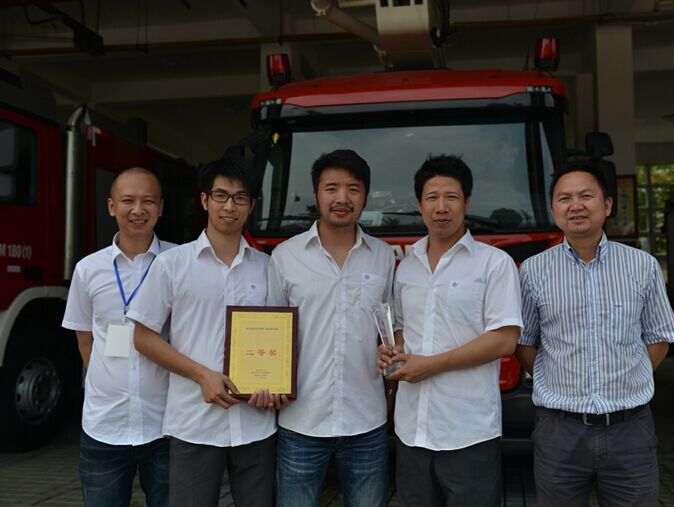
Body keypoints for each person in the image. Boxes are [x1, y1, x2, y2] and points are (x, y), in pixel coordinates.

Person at [515, 162, 674, 506]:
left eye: (586, 196)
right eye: (564, 198)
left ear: (607, 205)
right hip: (559, 430)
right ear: (553, 210)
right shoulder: (532, 271)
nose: (575, 205)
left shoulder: (642, 265)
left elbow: (659, 338)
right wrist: (555, 376)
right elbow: (524, 342)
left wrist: (627, 376)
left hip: (630, 429)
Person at [127, 156, 282, 507]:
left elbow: (278, 337)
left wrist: (273, 385)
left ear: (252, 205)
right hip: (194, 421)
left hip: (255, 421)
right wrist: (202, 376)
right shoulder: (172, 264)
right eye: (221, 195)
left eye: (240, 198)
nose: (229, 206)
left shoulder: (268, 267)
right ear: (204, 200)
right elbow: (142, 337)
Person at [378, 155, 522, 507]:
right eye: (432, 197)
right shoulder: (406, 267)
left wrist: (430, 365)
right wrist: (391, 351)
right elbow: (402, 331)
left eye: (451, 197)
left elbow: (504, 339)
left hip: (468, 432)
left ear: (467, 202)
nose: (441, 207)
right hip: (412, 430)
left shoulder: (494, 263)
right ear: (420, 205)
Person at [267, 149, 395, 507]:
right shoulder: (285, 256)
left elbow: (390, 329)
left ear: (365, 195)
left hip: (366, 419)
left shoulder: (383, 256)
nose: (342, 198)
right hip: (301, 420)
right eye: (332, 188)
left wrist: (390, 389)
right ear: (316, 194)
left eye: (353, 189)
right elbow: (269, 329)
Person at [62, 167, 175, 506]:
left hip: (167, 424)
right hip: (104, 425)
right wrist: (108, 382)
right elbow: (85, 339)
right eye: (128, 201)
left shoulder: (180, 262)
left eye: (148, 201)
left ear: (161, 208)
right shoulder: (88, 269)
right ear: (111, 206)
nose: (138, 210)